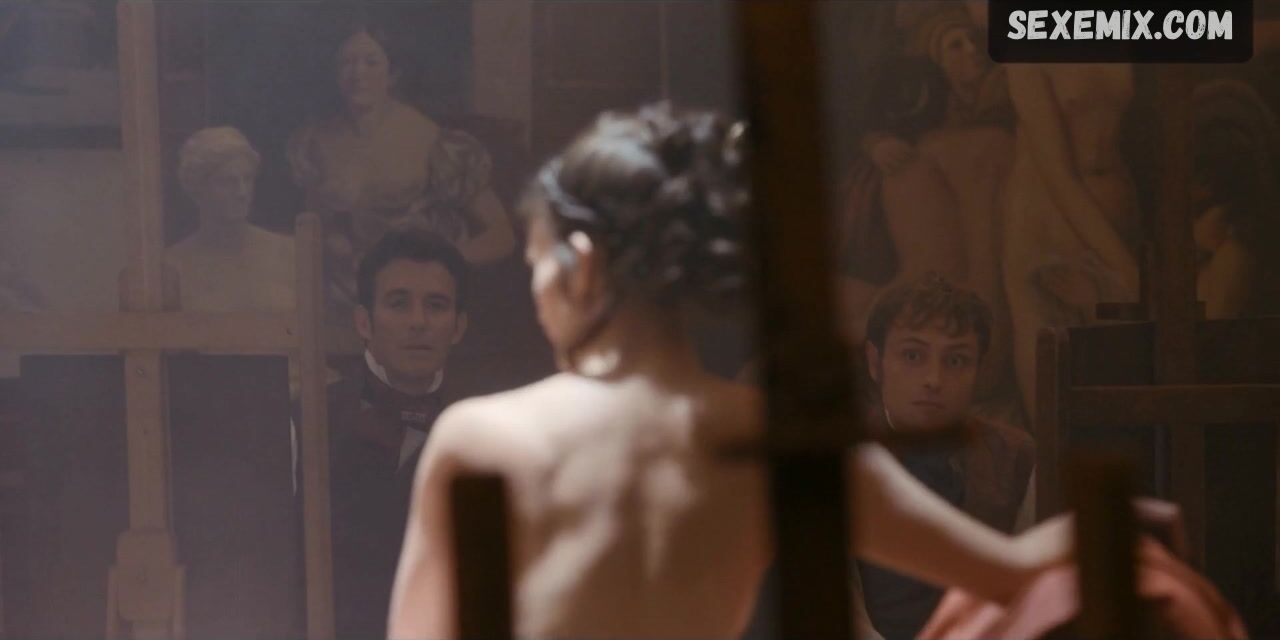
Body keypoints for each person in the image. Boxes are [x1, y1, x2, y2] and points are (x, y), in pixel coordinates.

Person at [388, 103, 1238, 640]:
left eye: (536, 264)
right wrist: (1128, 534)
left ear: (579, 262)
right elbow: (1010, 572)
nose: (538, 295)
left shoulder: (483, 436)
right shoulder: (785, 442)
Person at [838, 3, 1022, 427]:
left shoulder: (979, 149)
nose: (971, 54)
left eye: (973, 43)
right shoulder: (913, 152)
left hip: (949, 320)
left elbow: (977, 266)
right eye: (954, 46)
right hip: (922, 313)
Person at [295, 228, 470, 640]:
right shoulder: (309, 418)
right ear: (364, 321)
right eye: (398, 303)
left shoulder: (482, 434)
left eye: (436, 306)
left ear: (458, 327)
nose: (418, 322)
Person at [287, 24, 515, 316]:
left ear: (392, 73)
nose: (357, 74)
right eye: (346, 63)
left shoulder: (430, 140)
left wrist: (440, 263)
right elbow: (313, 227)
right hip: (344, 294)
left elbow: (501, 235)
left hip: (419, 293)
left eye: (371, 62)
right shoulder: (316, 142)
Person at [855, 273, 1035, 639]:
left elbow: (1029, 594)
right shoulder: (844, 459)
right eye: (913, 356)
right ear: (875, 362)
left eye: (955, 360)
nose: (933, 379)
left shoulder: (1015, 456)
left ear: (977, 369)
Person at [1002, 61, 1142, 415]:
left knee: (1118, 384)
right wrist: (1127, 269)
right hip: (1050, 225)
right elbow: (1059, 175)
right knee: (1055, 387)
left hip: (1116, 221)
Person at [167, 126, 295, 313]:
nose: (242, 192)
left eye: (247, 179)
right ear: (197, 189)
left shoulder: (290, 253)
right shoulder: (172, 267)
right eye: (227, 181)